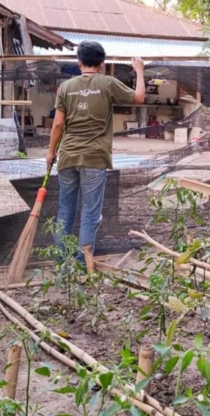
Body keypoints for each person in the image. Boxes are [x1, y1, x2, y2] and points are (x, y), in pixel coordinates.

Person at [46, 41, 145, 260]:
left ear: (79, 62)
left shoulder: (65, 87)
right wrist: (139, 70)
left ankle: (62, 261)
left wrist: (51, 152)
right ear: (101, 64)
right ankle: (83, 262)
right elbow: (139, 98)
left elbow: (58, 124)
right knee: (90, 213)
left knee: (65, 211)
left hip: (68, 156)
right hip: (94, 158)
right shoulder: (107, 83)